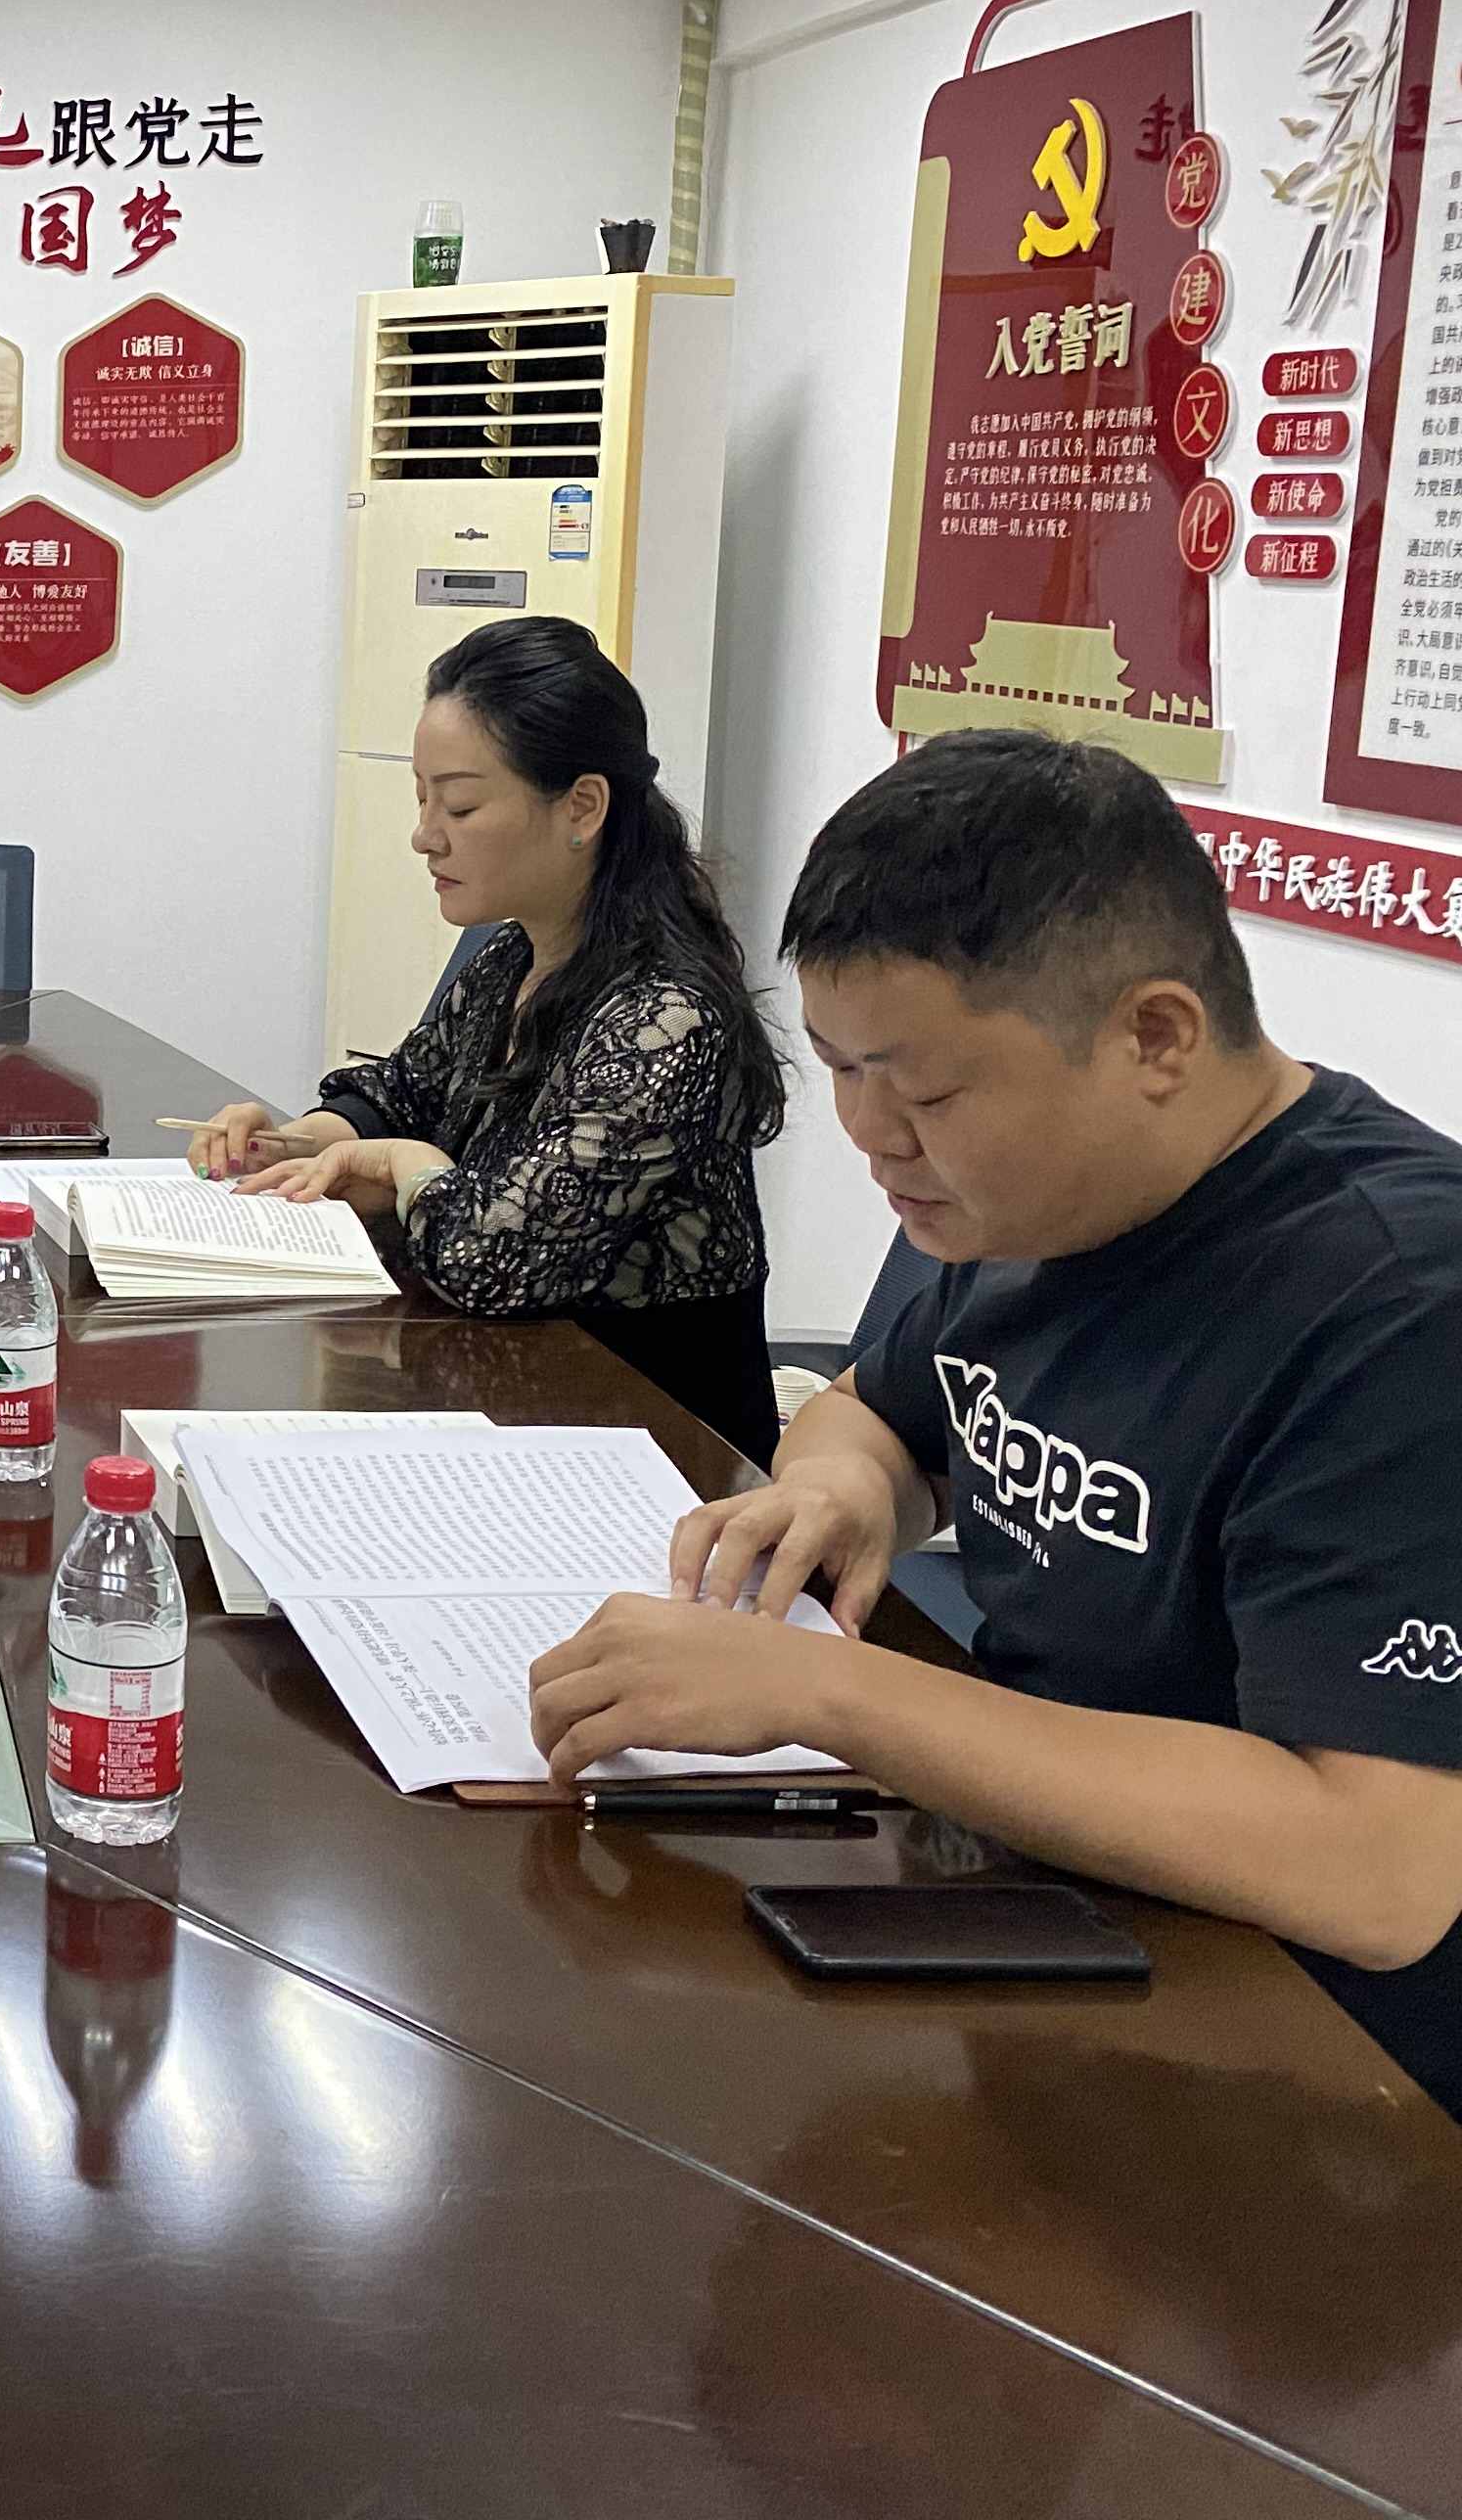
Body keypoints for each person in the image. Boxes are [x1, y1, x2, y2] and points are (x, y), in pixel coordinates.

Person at [526, 730, 1462, 2118]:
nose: (870, 1134)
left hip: (1312, 2078)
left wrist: (822, 1694)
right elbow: (877, 1411)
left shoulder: (1399, 1310)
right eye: (840, 1068)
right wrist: (844, 1491)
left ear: (1155, 1037)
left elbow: (1376, 1870)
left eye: (925, 1090)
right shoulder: (1035, 1198)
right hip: (1047, 1930)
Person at [186, 614, 784, 1456]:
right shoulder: (514, 955)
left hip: (656, 1456)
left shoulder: (668, 1022)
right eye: (422, 799)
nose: (425, 836)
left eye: (460, 805)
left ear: (582, 806)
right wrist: (301, 1141)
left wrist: (402, 1165)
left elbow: (494, 1257)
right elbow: (402, 1092)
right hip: (510, 1410)